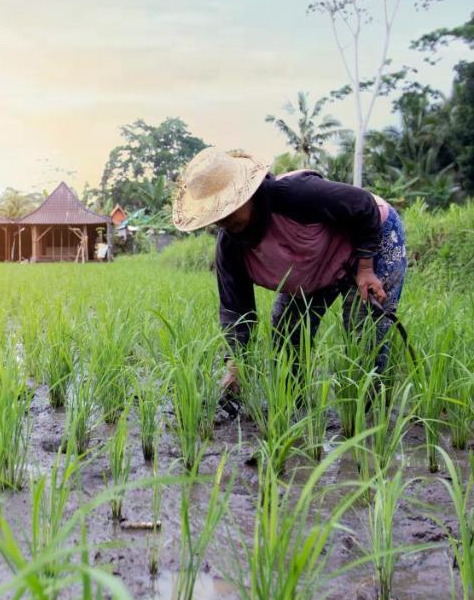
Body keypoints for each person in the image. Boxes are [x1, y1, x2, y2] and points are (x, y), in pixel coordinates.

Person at [171, 147, 406, 419]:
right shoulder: (230, 247)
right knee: (286, 330)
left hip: (370, 236)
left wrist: (365, 267)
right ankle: (292, 410)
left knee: (363, 327)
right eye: (216, 216)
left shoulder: (295, 194)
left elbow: (363, 205)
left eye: (228, 209)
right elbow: (237, 312)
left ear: (246, 194)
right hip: (315, 264)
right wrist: (235, 365)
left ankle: (370, 419)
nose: (223, 220)